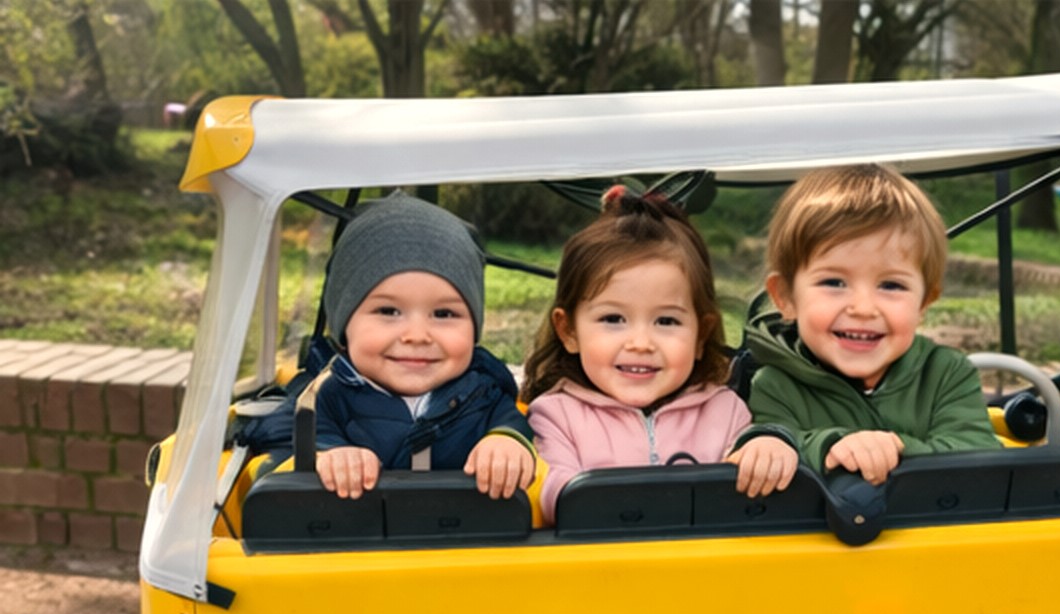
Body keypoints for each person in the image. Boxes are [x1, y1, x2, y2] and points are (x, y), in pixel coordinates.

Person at [521, 186, 798, 525]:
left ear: (701, 335)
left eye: (666, 321)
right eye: (613, 319)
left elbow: (749, 496)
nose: (641, 343)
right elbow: (555, 496)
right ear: (569, 332)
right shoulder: (556, 415)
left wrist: (768, 447)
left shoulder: (726, 411)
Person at [745, 164, 1000, 485]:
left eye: (891, 285)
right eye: (834, 282)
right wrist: (824, 445)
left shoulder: (945, 372)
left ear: (924, 303)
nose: (863, 309)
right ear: (786, 297)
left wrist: (895, 447)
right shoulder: (776, 384)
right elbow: (774, 446)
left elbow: (980, 455)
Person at [310, 193, 535, 500]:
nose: (417, 336)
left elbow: (516, 425)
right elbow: (279, 433)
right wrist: (328, 452)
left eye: (444, 314)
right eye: (388, 311)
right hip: (362, 529)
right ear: (343, 324)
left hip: (464, 528)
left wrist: (507, 443)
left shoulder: (485, 394)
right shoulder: (325, 396)